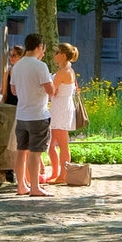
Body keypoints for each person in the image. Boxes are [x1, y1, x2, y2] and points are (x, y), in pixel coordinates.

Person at [8, 35, 55, 198]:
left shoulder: (17, 66)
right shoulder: (40, 66)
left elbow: (13, 91)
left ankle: (21, 185)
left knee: (21, 151)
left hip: (21, 114)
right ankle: (35, 187)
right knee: (35, 153)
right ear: (40, 46)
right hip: (38, 114)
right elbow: (51, 90)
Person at [46, 43, 82, 185]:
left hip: (61, 107)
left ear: (62, 55)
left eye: (57, 52)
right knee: (53, 143)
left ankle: (63, 175)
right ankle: (56, 173)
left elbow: (52, 91)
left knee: (62, 143)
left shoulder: (63, 72)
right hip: (61, 106)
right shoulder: (69, 70)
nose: (54, 55)